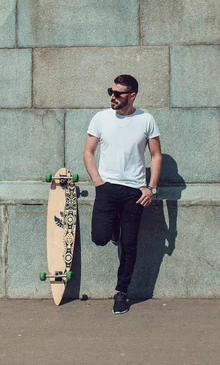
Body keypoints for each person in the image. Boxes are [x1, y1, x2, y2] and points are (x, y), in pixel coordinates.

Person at [83, 74, 162, 314]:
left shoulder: (146, 120)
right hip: (107, 188)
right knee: (100, 237)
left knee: (129, 245)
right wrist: (98, 182)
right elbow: (88, 151)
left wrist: (151, 188)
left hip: (134, 192)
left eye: (118, 93)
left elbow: (156, 155)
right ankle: (114, 229)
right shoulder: (101, 118)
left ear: (132, 95)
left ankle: (121, 293)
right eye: (111, 92)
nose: (113, 97)